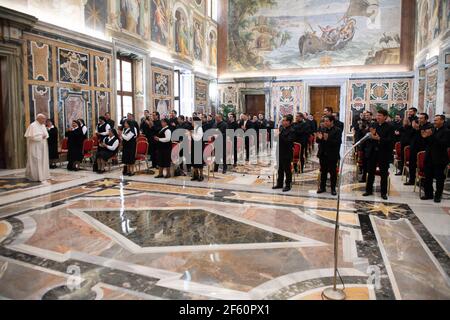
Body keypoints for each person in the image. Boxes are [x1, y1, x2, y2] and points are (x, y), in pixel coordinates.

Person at [363, 109, 394, 200]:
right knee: (370, 172)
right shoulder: (373, 125)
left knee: (383, 173)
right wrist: (370, 136)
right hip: (373, 152)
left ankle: (383, 193)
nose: (378, 117)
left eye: (380, 115)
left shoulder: (390, 127)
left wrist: (379, 139)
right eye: (377, 115)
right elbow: (367, 136)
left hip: (383, 153)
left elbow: (390, 141)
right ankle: (368, 190)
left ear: (385, 117)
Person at [421, 115, 450, 203]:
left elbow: (443, 144)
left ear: (442, 121)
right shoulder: (433, 130)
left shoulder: (447, 131)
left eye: (436, 120)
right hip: (429, 157)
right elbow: (429, 143)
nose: (434, 122)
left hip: (439, 158)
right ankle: (428, 194)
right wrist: (425, 137)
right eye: (434, 120)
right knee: (428, 177)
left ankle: (438, 196)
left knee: (439, 178)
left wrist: (431, 136)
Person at [316, 115, 342, 196]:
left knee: (333, 172)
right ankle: (322, 187)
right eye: (324, 121)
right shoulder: (322, 129)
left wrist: (328, 139)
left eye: (327, 121)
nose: (325, 122)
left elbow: (338, 142)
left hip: (332, 154)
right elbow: (317, 141)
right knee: (323, 171)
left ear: (331, 121)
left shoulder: (337, 130)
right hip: (323, 153)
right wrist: (319, 138)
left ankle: (333, 188)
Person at [405, 113, 432, 185]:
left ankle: (423, 181)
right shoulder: (417, 126)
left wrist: (418, 129)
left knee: (423, 165)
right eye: (419, 118)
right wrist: (413, 128)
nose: (419, 120)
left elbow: (425, 137)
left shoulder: (429, 126)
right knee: (412, 164)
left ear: (426, 119)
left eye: (421, 118)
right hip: (414, 147)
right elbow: (410, 135)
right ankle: (411, 180)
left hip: (423, 148)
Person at [273, 115, 295, 192]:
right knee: (280, 169)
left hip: (287, 152)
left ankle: (288, 185)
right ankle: (279, 183)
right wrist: (275, 136)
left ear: (289, 122)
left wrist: (279, 135)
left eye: (285, 120)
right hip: (279, 151)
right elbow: (276, 140)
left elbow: (288, 141)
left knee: (287, 169)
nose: (283, 122)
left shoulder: (292, 130)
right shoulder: (281, 128)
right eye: (283, 120)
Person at [25, 114, 50, 182]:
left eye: (44, 119)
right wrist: (40, 137)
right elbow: (31, 137)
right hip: (35, 146)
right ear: (38, 118)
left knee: (42, 160)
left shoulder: (43, 125)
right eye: (43, 119)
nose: (44, 120)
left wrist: (44, 136)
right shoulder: (33, 125)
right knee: (36, 160)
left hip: (43, 146)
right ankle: (36, 176)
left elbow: (46, 134)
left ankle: (43, 175)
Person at [191, 117, 205, 182]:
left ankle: (201, 175)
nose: (191, 122)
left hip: (198, 146)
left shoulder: (199, 128)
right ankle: (196, 175)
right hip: (194, 146)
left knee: (199, 162)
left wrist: (192, 134)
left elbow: (198, 138)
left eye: (192, 121)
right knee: (194, 161)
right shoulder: (195, 128)